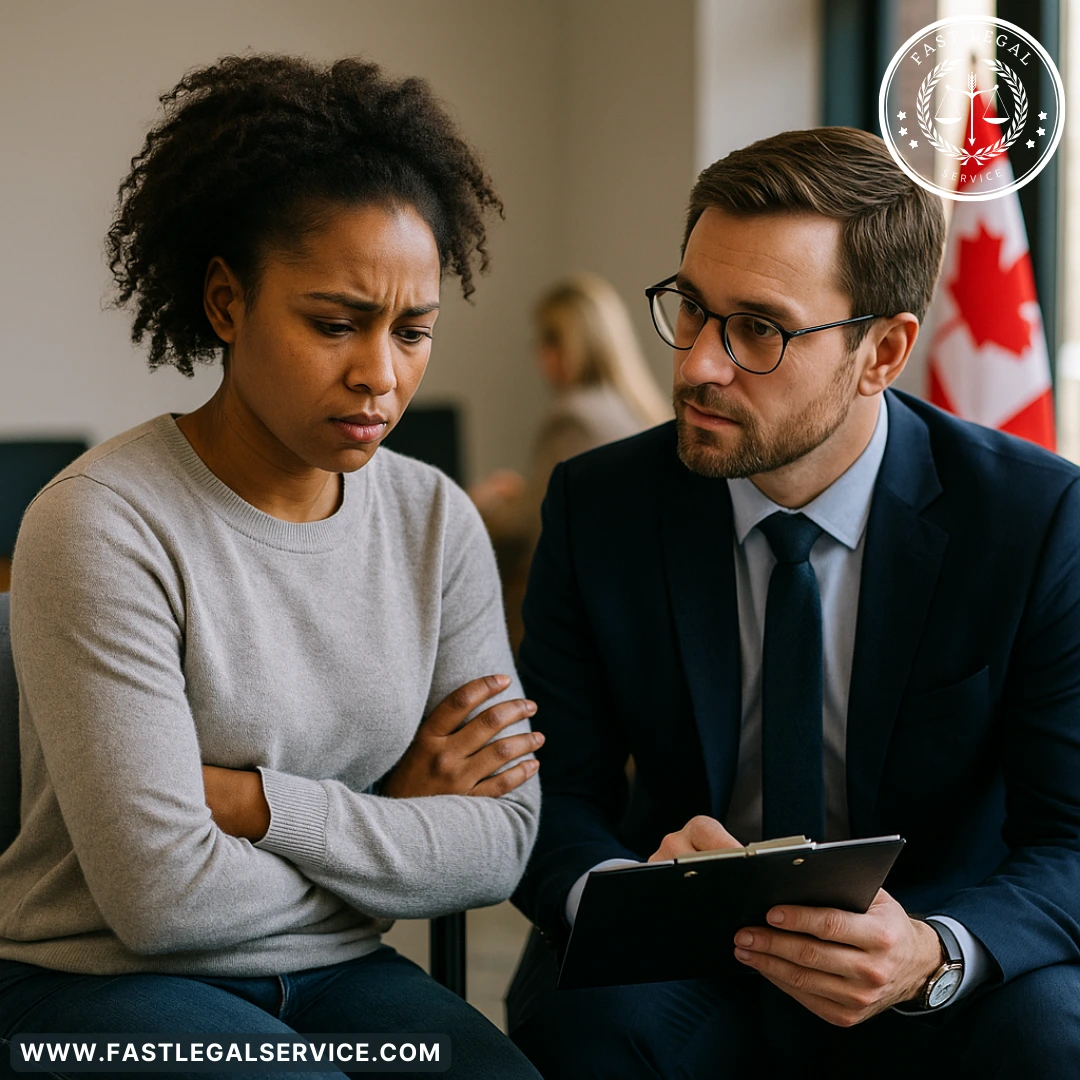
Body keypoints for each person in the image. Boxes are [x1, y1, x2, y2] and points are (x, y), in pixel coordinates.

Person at [0, 56, 543, 1080]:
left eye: (412, 331)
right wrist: (397, 832)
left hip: (339, 975)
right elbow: (159, 899)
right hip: (91, 982)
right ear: (226, 301)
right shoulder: (100, 523)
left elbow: (502, 842)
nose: (380, 375)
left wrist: (255, 805)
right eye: (335, 324)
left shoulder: (435, 521)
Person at [508, 127, 1080, 1078]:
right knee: (589, 1032)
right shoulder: (599, 504)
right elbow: (552, 793)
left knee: (1052, 1037)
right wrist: (627, 895)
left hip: (928, 942)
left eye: (759, 331)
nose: (698, 364)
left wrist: (933, 954)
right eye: (693, 309)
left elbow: (1071, 837)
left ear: (882, 352)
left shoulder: (1032, 518)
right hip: (685, 953)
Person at [471, 273, 669, 649]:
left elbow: (533, 524)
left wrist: (479, 504)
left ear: (570, 345)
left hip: (582, 618)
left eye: (548, 341)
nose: (541, 356)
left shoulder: (573, 417)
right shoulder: (636, 410)